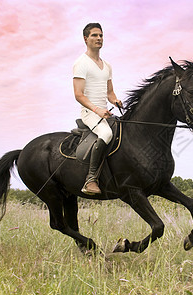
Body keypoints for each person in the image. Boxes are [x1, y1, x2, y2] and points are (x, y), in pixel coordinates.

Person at [73, 23, 122, 194]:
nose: (99, 38)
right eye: (94, 35)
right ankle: (90, 180)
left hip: (105, 112)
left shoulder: (106, 65)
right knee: (107, 134)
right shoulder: (81, 63)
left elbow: (110, 93)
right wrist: (96, 110)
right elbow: (78, 95)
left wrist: (116, 101)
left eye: (101, 35)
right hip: (90, 113)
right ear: (86, 39)